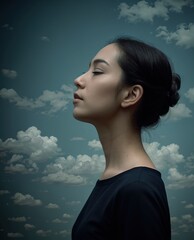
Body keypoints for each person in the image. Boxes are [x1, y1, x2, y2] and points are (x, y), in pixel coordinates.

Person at [72, 37, 181, 240]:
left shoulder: (137, 190)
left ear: (131, 95)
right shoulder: (117, 181)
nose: (78, 80)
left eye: (97, 72)